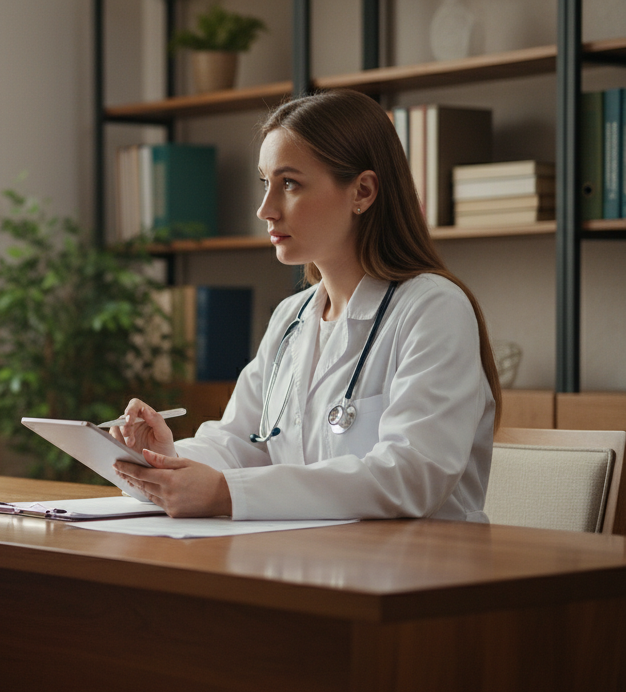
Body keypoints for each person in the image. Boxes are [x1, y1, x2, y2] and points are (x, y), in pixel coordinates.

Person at [111, 88, 500, 522]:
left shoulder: (433, 309)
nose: (265, 209)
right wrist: (162, 459)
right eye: (265, 183)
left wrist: (226, 494)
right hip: (308, 559)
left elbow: (411, 475)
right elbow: (242, 443)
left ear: (363, 191)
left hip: (422, 570)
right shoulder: (292, 318)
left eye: (289, 183)